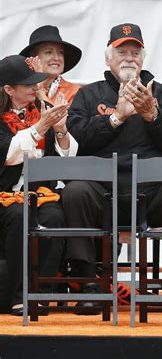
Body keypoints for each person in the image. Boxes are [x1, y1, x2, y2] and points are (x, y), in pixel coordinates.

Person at [63, 23, 162, 315]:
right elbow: (76, 140)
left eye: (135, 52)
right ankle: (88, 284)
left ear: (143, 59)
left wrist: (153, 116)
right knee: (74, 190)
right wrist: (115, 118)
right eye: (122, 52)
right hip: (102, 191)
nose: (129, 58)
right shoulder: (90, 95)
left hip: (154, 192)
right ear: (108, 58)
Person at [0, 55, 77, 315]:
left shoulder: (41, 111)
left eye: (35, 82)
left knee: (54, 217)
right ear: (9, 89)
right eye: (27, 84)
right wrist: (40, 128)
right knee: (20, 215)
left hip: (39, 194)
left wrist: (60, 129)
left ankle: (40, 293)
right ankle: (19, 296)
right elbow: (9, 155)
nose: (35, 87)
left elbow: (65, 159)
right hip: (5, 197)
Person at [19, 25, 82, 105]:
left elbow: (58, 117)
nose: (56, 58)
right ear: (33, 58)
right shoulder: (20, 90)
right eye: (48, 52)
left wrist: (40, 92)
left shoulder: (75, 92)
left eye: (61, 52)